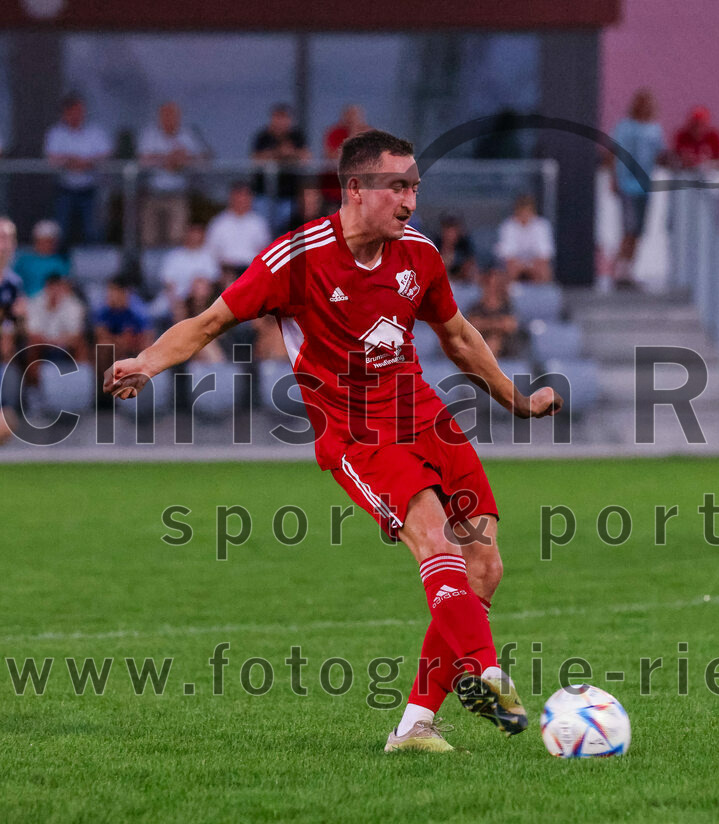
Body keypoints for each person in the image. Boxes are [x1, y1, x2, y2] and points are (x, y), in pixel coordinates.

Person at [103, 129, 562, 753]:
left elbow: (456, 336)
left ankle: (415, 724)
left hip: (422, 411)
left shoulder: (419, 254)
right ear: (355, 188)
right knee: (433, 535)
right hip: (355, 431)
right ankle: (486, 672)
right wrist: (148, 362)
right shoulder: (295, 259)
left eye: (415, 187)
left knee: (483, 564)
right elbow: (210, 321)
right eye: (397, 186)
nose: (410, 201)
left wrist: (516, 398)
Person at [610, 89, 668, 288]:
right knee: (628, 229)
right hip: (627, 185)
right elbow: (613, 153)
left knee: (638, 232)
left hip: (645, 186)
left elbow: (661, 154)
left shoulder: (654, 129)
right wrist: (613, 178)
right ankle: (618, 270)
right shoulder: (624, 127)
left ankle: (628, 271)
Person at [44, 95, 113, 246]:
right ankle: (59, 265)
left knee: (93, 231)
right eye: (73, 111)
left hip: (90, 189)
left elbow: (106, 155)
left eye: (80, 111)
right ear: (65, 113)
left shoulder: (95, 132)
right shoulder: (56, 133)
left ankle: (95, 265)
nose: (77, 115)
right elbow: (52, 159)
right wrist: (72, 161)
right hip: (64, 189)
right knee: (60, 231)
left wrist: (87, 162)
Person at [137, 102, 207, 247]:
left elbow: (203, 158)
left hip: (178, 193)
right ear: (159, 117)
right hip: (152, 192)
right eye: (166, 115)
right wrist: (166, 159)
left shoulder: (187, 134)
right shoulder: (150, 134)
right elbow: (142, 159)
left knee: (176, 236)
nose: (169, 118)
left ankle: (174, 267)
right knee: (149, 236)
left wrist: (183, 160)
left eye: (173, 115)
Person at [250, 103, 312, 232]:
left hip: (289, 194)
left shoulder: (296, 136)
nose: (280, 122)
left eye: (284, 118)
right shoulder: (263, 136)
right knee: (263, 230)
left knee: (285, 230)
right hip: (264, 193)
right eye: (277, 118)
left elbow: (306, 158)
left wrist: (290, 154)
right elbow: (255, 160)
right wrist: (279, 153)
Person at [204, 183, 271, 279]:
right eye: (239, 196)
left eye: (246, 197)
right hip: (226, 271)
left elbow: (264, 250)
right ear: (231, 198)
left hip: (251, 270)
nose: (242, 200)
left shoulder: (259, 223)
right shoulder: (219, 223)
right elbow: (211, 252)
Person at [25, 273, 88, 363]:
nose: (55, 292)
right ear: (46, 288)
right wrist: (49, 341)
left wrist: (60, 341)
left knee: (81, 344)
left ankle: (80, 375)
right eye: (51, 288)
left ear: (63, 288)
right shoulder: (35, 303)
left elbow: (76, 334)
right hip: (43, 342)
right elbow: (32, 332)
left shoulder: (74, 304)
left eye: (58, 288)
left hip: (65, 342)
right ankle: (34, 377)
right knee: (32, 345)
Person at [0, 217, 25, 444]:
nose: (3, 244)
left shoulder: (13, 284)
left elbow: (15, 324)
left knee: (6, 424)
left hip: (3, 361)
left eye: (7, 238)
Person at [495, 194, 554, 282]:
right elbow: (508, 257)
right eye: (522, 211)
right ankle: (511, 294)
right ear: (516, 211)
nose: (524, 214)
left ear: (533, 212)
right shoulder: (507, 226)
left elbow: (544, 255)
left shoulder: (542, 225)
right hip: (514, 265)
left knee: (544, 270)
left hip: (535, 264)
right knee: (511, 270)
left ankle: (540, 293)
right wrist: (522, 267)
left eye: (527, 211)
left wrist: (530, 267)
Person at [465, 270, 521, 358]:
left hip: (506, 349)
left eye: (496, 286)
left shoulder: (508, 307)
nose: (492, 289)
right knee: (491, 341)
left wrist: (485, 324)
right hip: (479, 346)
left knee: (495, 340)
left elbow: (510, 325)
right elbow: (473, 325)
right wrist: (498, 324)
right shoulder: (476, 307)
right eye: (489, 285)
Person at [94, 277, 152, 357]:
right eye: (109, 291)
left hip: (135, 345)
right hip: (115, 343)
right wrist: (116, 340)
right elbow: (100, 333)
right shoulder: (103, 310)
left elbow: (146, 335)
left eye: (113, 291)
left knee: (143, 345)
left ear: (123, 293)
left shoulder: (137, 311)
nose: (109, 295)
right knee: (103, 345)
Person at [13, 220, 70, 298]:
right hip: (25, 303)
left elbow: (64, 287)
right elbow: (13, 282)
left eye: (50, 241)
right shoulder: (24, 260)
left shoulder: (60, 262)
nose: (46, 244)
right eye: (43, 240)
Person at [672, 105, 719, 170]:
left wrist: (710, 164)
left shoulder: (714, 137)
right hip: (687, 174)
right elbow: (673, 160)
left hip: (710, 176)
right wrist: (683, 161)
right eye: (695, 124)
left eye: (701, 124)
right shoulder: (681, 136)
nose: (698, 128)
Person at [435, 214, 477, 282]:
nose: (452, 235)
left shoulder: (465, 246)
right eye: (449, 230)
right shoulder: (435, 245)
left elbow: (470, 268)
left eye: (455, 230)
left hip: (461, 283)